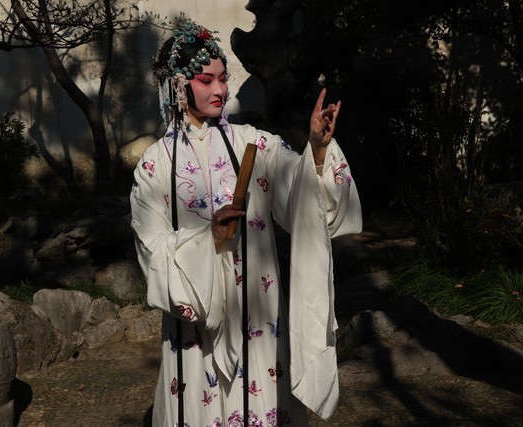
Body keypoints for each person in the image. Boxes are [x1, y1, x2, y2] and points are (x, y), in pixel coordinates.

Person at [130, 20, 362, 427]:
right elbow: (152, 250)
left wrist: (317, 149)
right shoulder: (154, 166)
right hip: (196, 329)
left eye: (223, 78)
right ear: (178, 85)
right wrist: (207, 238)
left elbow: (301, 191)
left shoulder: (254, 143)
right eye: (206, 80)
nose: (221, 90)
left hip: (260, 314)